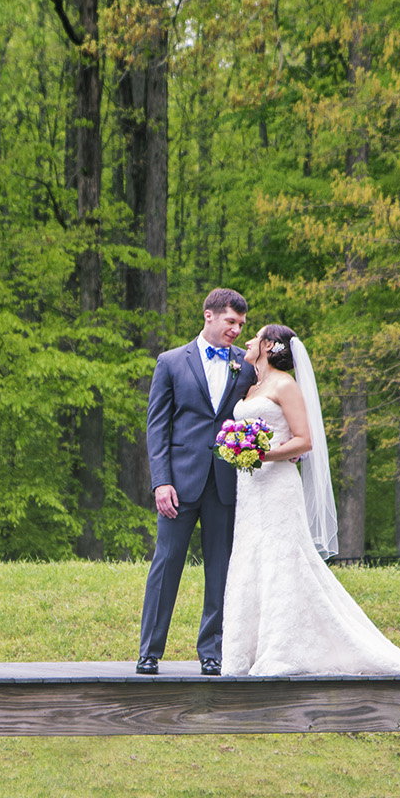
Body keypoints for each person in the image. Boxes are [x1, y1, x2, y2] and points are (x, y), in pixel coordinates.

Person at [219, 323, 400, 676]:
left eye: (254, 336)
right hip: (250, 489)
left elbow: (304, 440)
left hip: (277, 486)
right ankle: (243, 652)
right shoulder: (251, 386)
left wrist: (262, 455)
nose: (246, 341)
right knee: (251, 561)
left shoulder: (285, 385)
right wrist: (237, 449)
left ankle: (281, 648)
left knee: (282, 561)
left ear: (267, 345)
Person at [137, 289, 259, 677]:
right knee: (166, 562)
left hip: (226, 482)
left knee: (221, 569)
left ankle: (212, 652)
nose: (237, 330)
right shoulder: (171, 362)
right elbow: (157, 427)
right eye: (231, 322)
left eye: (241, 324)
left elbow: (262, 412)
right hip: (179, 483)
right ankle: (149, 652)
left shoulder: (248, 365)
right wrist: (161, 482)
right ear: (209, 316)